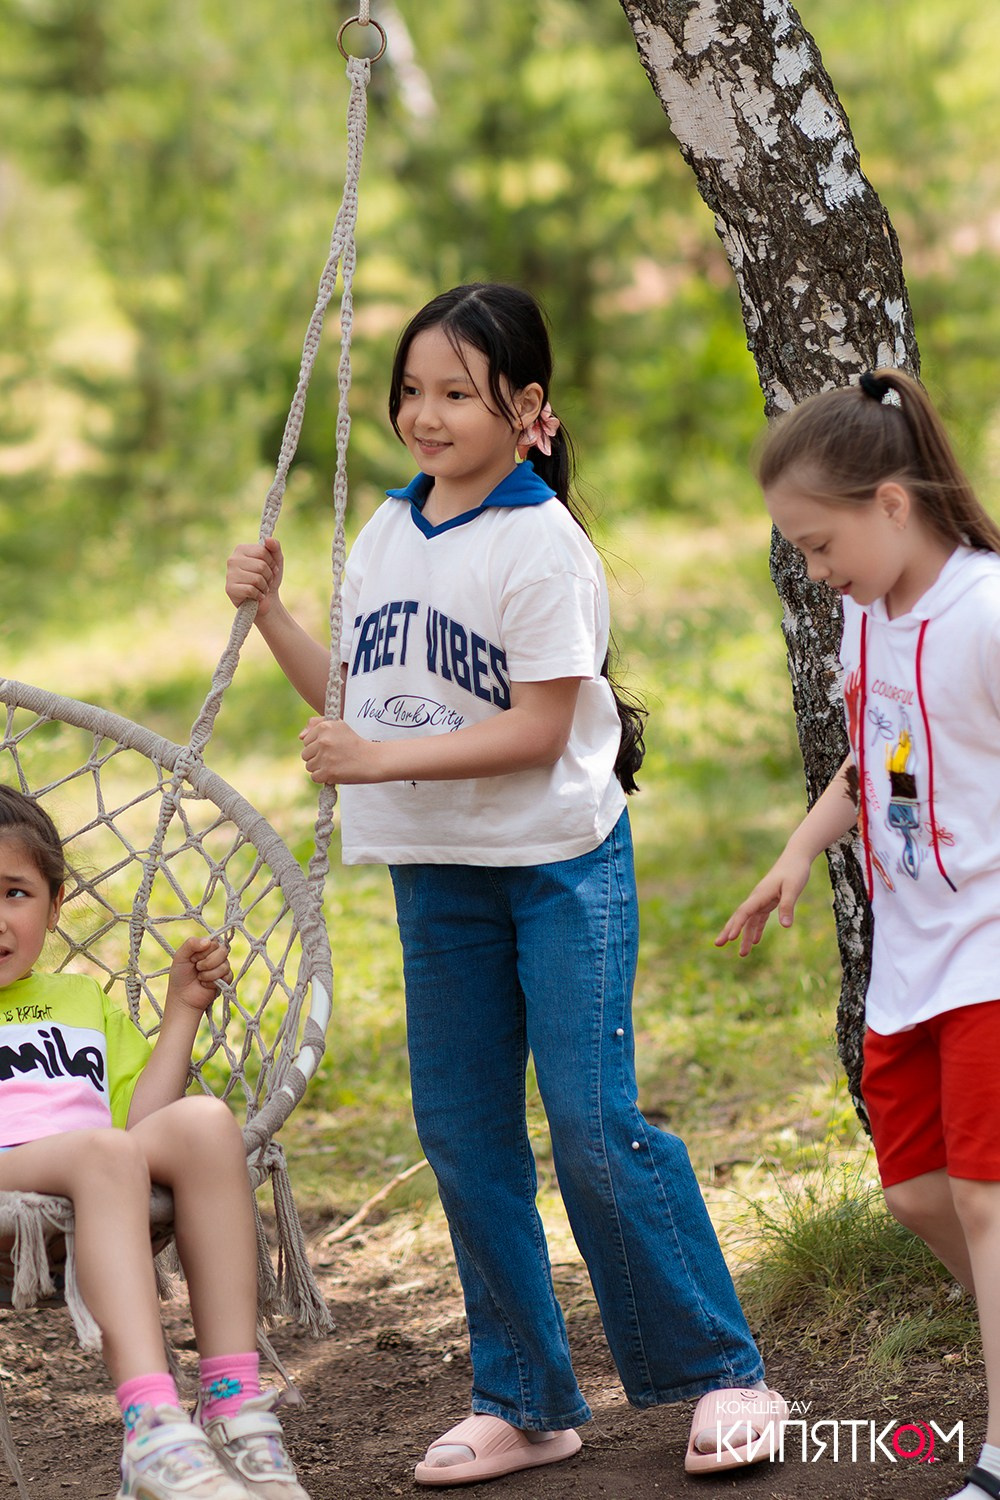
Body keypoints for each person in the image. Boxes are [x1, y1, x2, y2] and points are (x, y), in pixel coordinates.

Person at [226, 281, 786, 1487]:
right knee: (464, 1133)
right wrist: (273, 615)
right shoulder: (385, 531)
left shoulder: (542, 544)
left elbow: (537, 731)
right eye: (410, 392)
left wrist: (375, 758)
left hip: (556, 871)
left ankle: (724, 1372)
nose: (424, 416)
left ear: (527, 408)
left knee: (591, 1126)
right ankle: (526, 1399)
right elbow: (356, 702)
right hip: (439, 877)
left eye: (455, 394)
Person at [716, 367, 1000, 1500]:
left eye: (818, 543)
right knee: (919, 1194)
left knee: (984, 1196)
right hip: (908, 952)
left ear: (891, 501)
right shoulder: (863, 614)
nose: (814, 569)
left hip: (989, 940)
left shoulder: (984, 612)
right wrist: (798, 852)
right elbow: (877, 758)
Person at [0, 783, 311, 1500]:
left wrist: (182, 1013)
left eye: (14, 892)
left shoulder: (82, 1003)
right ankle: (150, 1428)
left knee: (204, 1122)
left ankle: (233, 1408)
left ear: (54, 901)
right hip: (17, 1173)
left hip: (97, 1168)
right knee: (104, 1151)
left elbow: (142, 1123)